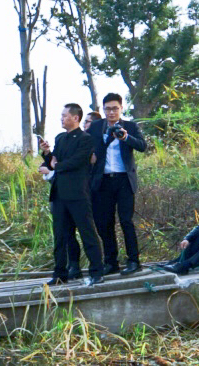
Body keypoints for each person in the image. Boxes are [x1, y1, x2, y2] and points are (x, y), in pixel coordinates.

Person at [38, 103, 104, 286]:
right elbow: (52, 162)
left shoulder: (85, 139)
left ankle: (97, 271)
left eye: (65, 115)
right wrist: (47, 152)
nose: (61, 118)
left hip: (78, 193)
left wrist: (57, 165)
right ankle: (60, 273)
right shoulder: (60, 138)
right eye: (61, 115)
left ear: (75, 118)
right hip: (59, 193)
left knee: (87, 233)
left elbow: (77, 161)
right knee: (61, 236)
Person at [87, 92, 150, 276]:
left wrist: (126, 138)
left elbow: (143, 146)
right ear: (103, 110)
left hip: (124, 180)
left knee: (126, 221)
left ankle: (134, 261)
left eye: (115, 108)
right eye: (107, 109)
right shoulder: (96, 127)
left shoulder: (130, 126)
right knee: (104, 223)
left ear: (121, 108)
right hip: (103, 180)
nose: (111, 112)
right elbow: (86, 146)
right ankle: (111, 262)